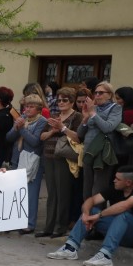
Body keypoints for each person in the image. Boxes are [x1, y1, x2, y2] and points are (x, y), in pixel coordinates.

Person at [47, 166, 133, 266]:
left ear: (128, 183)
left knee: (124, 215)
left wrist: (99, 216)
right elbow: (91, 200)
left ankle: (105, 255)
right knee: (91, 210)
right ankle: (70, 248)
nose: (114, 181)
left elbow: (124, 206)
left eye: (118, 179)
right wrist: (86, 215)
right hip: (116, 230)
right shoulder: (115, 188)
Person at [36, 87, 82, 238]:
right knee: (52, 193)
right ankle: (48, 226)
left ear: (72, 101)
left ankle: (60, 226)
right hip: (49, 157)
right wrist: (53, 131)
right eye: (59, 100)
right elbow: (42, 136)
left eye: (65, 100)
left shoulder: (77, 117)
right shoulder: (54, 116)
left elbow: (78, 137)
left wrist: (62, 128)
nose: (61, 103)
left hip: (64, 158)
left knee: (63, 193)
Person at [6, 93, 48, 234]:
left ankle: (30, 224)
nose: (27, 110)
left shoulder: (42, 121)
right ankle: (15, 221)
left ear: (38, 109)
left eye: (31, 107)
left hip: (32, 161)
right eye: (26, 106)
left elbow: (35, 142)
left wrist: (22, 129)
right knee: (17, 192)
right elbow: (9, 137)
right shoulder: (22, 118)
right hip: (17, 158)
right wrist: (17, 127)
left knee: (31, 193)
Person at [78, 81, 122, 198]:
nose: (97, 95)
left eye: (101, 93)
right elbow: (80, 133)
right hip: (88, 151)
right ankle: (86, 214)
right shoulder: (94, 108)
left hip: (103, 152)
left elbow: (108, 127)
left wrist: (92, 113)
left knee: (98, 188)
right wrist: (85, 119)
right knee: (86, 188)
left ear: (110, 94)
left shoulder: (115, 108)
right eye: (96, 93)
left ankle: (97, 214)